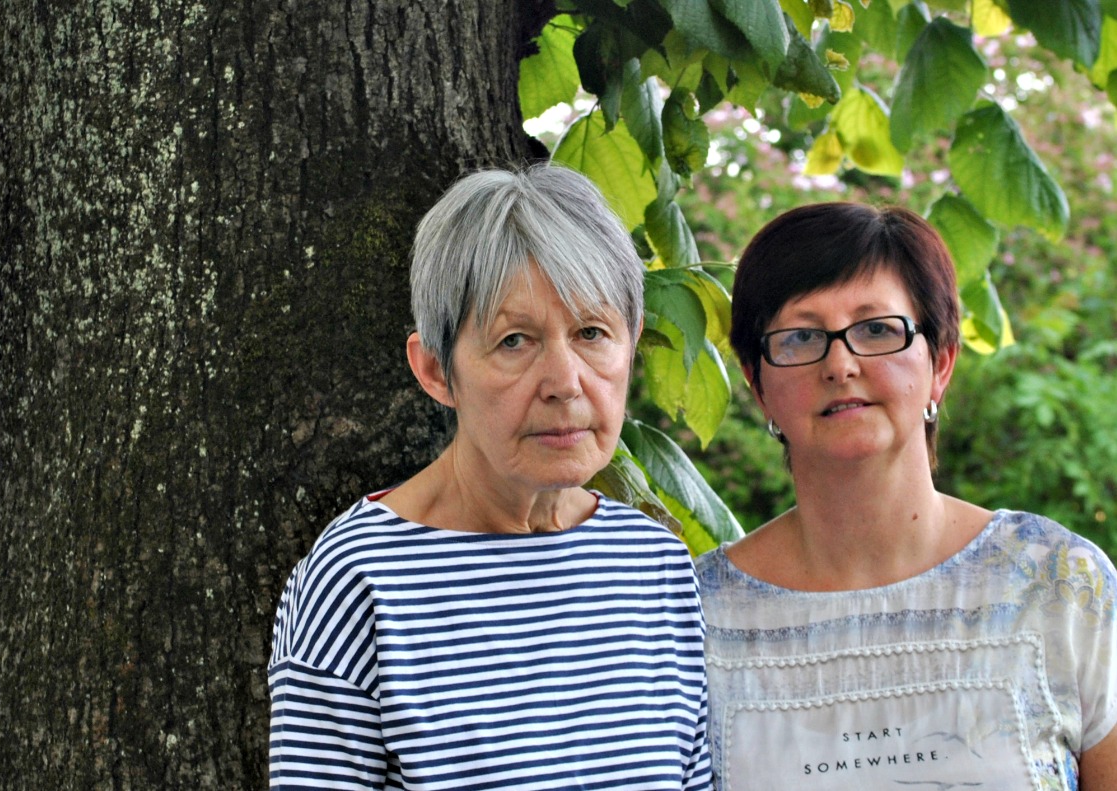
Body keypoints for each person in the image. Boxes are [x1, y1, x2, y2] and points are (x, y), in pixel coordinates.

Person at [267, 164, 712, 790]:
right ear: (434, 370)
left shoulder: (654, 565)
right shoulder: (360, 582)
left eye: (592, 333)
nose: (564, 383)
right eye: (513, 341)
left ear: (632, 343)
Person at [696, 201, 1117, 790]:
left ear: (941, 362)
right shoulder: (693, 621)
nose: (840, 364)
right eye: (800, 337)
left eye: (876, 330)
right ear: (756, 384)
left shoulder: (1060, 586)